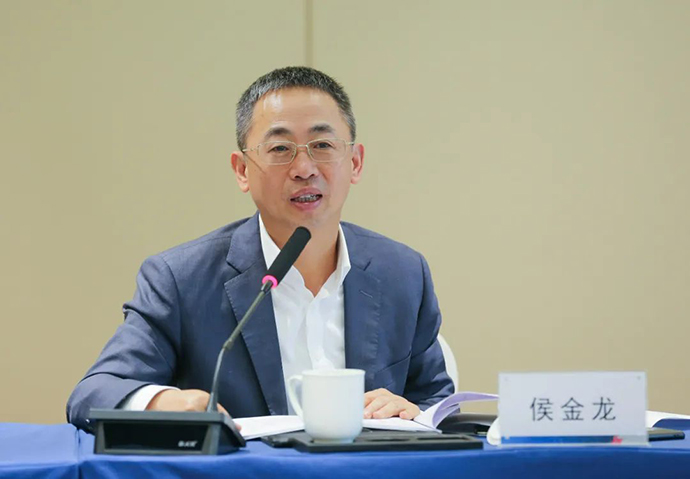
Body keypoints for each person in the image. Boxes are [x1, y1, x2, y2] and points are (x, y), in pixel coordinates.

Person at [66, 66, 454, 431]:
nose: (304, 168)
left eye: (322, 145)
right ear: (242, 170)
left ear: (355, 162)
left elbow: (437, 401)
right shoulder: (182, 280)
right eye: (280, 149)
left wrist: (414, 412)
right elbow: (94, 393)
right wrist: (165, 402)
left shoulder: (402, 273)